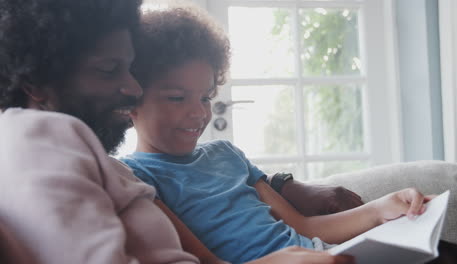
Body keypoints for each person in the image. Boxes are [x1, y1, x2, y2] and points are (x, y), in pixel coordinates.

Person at [0, 0, 356, 263]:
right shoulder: (36, 140)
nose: (132, 88)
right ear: (36, 82)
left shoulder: (104, 165)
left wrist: (279, 184)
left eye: (205, 97)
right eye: (110, 70)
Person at [122, 6, 434, 264]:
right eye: (177, 98)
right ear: (129, 101)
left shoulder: (226, 155)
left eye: (205, 97)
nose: (199, 113)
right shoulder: (133, 178)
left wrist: (381, 209)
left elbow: (305, 226)